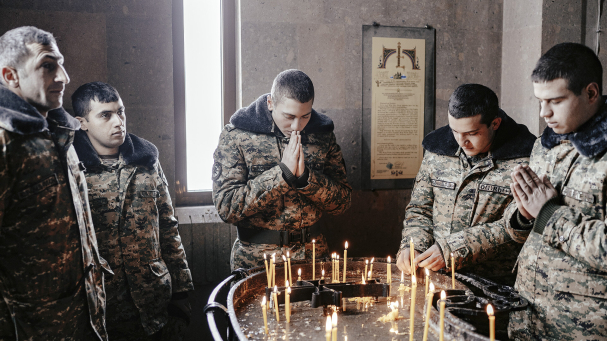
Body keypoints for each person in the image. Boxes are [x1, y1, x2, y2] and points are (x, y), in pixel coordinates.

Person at [0, 27, 110, 340]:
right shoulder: (5, 142)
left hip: (85, 320)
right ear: (11, 76)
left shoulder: (59, 132)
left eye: (60, 63)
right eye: (47, 65)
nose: (62, 76)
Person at [70, 81, 194, 340]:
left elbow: (168, 225)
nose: (118, 121)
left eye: (121, 112)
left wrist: (181, 290)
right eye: (106, 115)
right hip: (103, 306)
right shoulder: (73, 169)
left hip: (153, 297)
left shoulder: (146, 161)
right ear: (82, 122)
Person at [505, 43, 607, 340]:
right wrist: (524, 215)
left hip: (583, 327)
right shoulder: (546, 144)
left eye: (556, 101)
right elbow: (523, 235)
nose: (544, 113)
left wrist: (547, 213)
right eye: (539, 101)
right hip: (528, 313)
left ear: (591, 93)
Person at [396, 84, 536, 286]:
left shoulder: (526, 159)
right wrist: (413, 245)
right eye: (454, 131)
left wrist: (453, 249)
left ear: (495, 123)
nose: (461, 142)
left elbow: (516, 227)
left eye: (472, 133)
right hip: (437, 278)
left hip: (494, 284)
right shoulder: (437, 150)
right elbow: (420, 208)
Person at [213, 69, 352, 270]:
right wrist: (282, 175)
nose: (297, 126)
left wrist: (307, 179)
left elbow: (343, 202)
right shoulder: (237, 136)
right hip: (257, 260)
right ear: (270, 103)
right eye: (289, 116)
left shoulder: (323, 135)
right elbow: (226, 208)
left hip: (312, 257)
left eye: (305, 116)